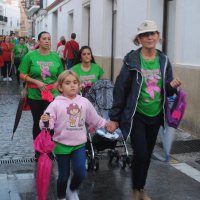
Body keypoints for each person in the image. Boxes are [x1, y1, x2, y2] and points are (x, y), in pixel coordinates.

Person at [107, 20, 181, 200]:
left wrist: (172, 86)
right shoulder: (132, 60)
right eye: (145, 34)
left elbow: (166, 88)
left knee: (147, 155)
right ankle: (135, 189)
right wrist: (115, 117)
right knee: (140, 154)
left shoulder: (163, 60)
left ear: (158, 36)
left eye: (152, 33)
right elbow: (121, 88)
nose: (149, 37)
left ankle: (140, 188)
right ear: (139, 39)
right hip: (137, 114)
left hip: (156, 114)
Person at [40, 70, 113, 200]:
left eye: (75, 82)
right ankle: (61, 196)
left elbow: (94, 119)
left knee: (81, 173)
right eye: (68, 83)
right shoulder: (55, 104)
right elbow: (47, 124)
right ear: (61, 87)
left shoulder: (84, 102)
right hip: (61, 145)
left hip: (79, 144)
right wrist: (45, 121)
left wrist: (106, 124)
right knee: (63, 176)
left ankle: (72, 189)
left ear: (79, 85)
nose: (72, 85)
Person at [18, 31, 64, 145]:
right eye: (44, 39)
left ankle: (48, 147)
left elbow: (61, 76)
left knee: (51, 121)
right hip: (35, 94)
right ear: (39, 41)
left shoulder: (55, 57)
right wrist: (35, 82)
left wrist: (58, 85)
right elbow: (22, 74)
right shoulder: (30, 56)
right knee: (38, 121)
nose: (47, 41)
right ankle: (38, 149)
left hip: (52, 94)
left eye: (49, 38)